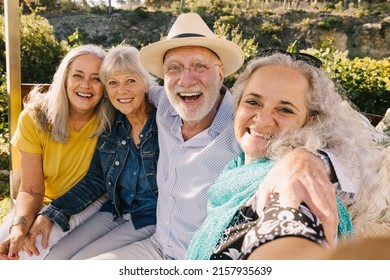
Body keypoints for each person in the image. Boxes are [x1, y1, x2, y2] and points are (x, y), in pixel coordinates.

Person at [88, 13, 365, 260]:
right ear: (163, 78)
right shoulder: (164, 105)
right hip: (157, 246)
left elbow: (358, 145)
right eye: (174, 68)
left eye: (199, 66)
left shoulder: (245, 123)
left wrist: (308, 159)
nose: (185, 80)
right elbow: (128, 91)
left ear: (221, 73)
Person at [185, 51, 382, 260]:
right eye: (253, 102)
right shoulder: (236, 167)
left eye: (285, 109)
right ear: (238, 103)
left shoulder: (294, 185)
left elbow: (290, 232)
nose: (263, 120)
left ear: (310, 121)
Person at [22, 44, 160, 260]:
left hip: (148, 216)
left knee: (79, 265)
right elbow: (96, 179)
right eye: (113, 83)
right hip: (114, 209)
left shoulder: (164, 124)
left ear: (146, 84)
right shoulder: (115, 124)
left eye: (130, 80)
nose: (121, 90)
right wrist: (50, 215)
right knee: (54, 259)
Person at [0, 44, 114, 260]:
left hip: (91, 201)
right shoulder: (35, 117)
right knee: (6, 244)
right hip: (45, 200)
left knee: (31, 251)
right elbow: (31, 189)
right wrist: (18, 226)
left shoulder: (111, 119)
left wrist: (48, 217)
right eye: (77, 75)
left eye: (96, 78)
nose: (86, 85)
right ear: (64, 78)